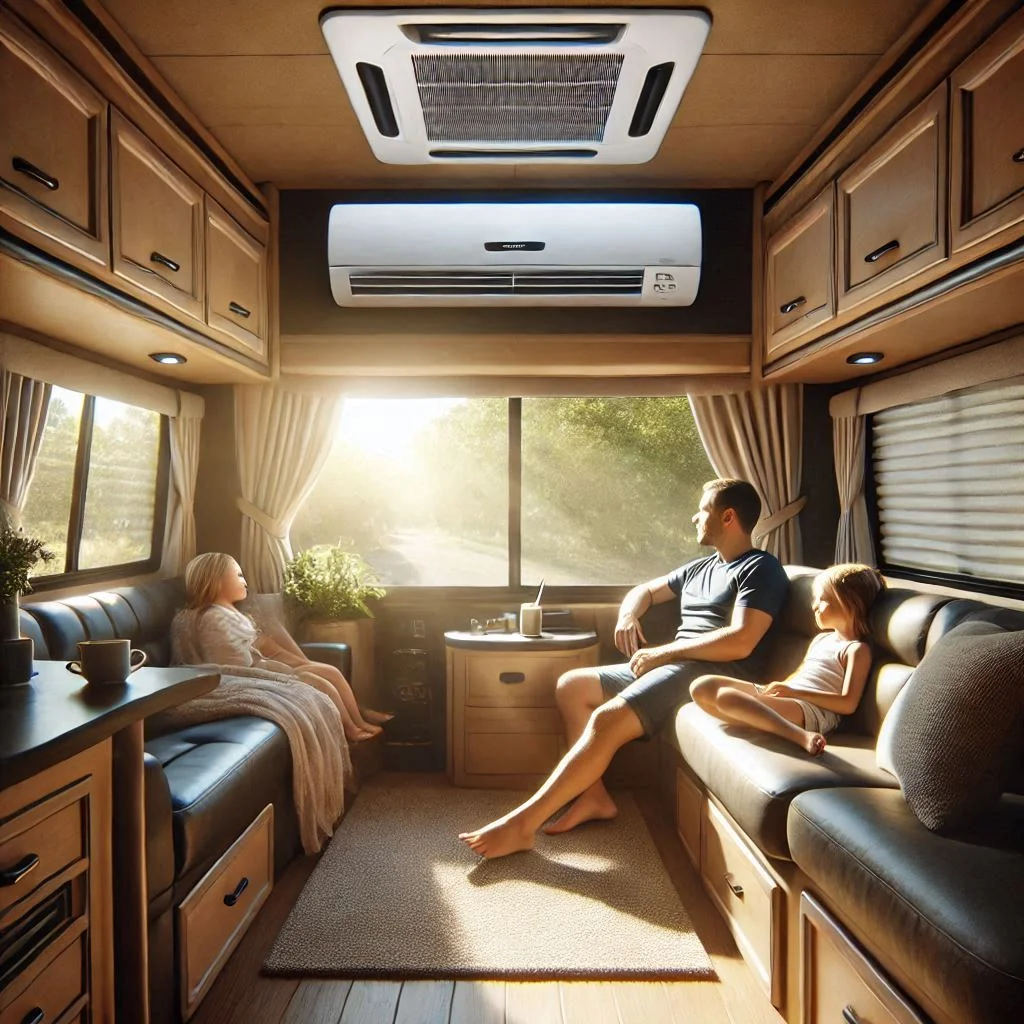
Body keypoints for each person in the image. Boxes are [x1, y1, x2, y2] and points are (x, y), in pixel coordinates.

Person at [459, 477, 790, 859]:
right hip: (676, 666)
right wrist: (628, 615)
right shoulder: (701, 568)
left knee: (607, 717)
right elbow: (646, 590)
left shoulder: (760, 569)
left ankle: (521, 826)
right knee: (572, 686)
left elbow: (742, 639)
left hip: (712, 675)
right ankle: (594, 796)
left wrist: (665, 653)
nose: (695, 517)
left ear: (728, 516)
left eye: (703, 510)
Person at [171, 552, 390, 742]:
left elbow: (246, 648)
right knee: (318, 681)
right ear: (216, 581)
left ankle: (359, 719)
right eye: (238, 575)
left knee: (328, 671)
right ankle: (351, 730)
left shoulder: (227, 614)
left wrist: (285, 660)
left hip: (258, 668)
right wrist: (277, 667)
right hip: (241, 679)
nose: (245, 581)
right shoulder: (214, 618)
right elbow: (234, 668)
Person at [689, 563, 886, 756]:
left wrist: (794, 692)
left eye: (823, 599)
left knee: (726, 698)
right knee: (701, 686)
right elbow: (801, 674)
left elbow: (848, 704)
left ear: (850, 603)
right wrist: (780, 689)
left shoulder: (856, 650)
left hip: (813, 710)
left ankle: (802, 737)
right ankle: (761, 720)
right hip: (792, 695)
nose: (814, 605)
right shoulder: (821, 639)